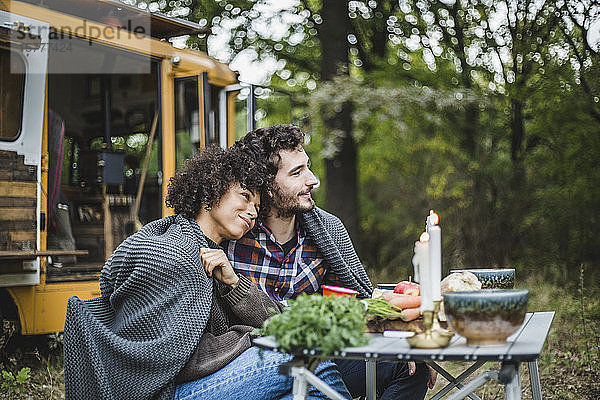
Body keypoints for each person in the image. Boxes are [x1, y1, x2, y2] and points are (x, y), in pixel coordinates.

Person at [63, 145, 351, 400]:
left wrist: (235, 285)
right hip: (168, 391)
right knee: (307, 356)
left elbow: (275, 319)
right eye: (244, 196)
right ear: (211, 193)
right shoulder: (175, 253)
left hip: (202, 382)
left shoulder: (214, 254)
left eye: (257, 206)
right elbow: (173, 359)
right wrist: (252, 335)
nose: (252, 212)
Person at [228, 125, 436, 400]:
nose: (312, 179)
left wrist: (401, 335)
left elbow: (357, 300)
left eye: (308, 167)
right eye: (297, 172)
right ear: (265, 185)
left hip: (325, 355)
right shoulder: (232, 235)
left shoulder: (328, 230)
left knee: (409, 367)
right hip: (256, 364)